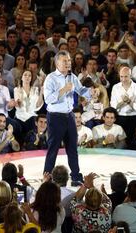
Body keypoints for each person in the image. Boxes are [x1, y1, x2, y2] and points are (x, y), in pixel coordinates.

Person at [43, 50, 99, 186]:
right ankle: (47, 178)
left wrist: (91, 92)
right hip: (55, 118)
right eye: (65, 61)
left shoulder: (72, 76)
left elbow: (81, 90)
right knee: (53, 149)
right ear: (57, 63)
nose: (68, 63)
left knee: (72, 148)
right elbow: (48, 99)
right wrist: (64, 90)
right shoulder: (50, 78)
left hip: (69, 116)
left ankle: (75, 177)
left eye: (69, 60)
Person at [110, 66, 136, 139]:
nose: (123, 79)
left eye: (126, 77)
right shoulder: (115, 87)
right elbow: (113, 107)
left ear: (130, 76)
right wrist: (126, 101)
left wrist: (128, 101)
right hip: (120, 116)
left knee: (132, 141)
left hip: (134, 117)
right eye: (121, 77)